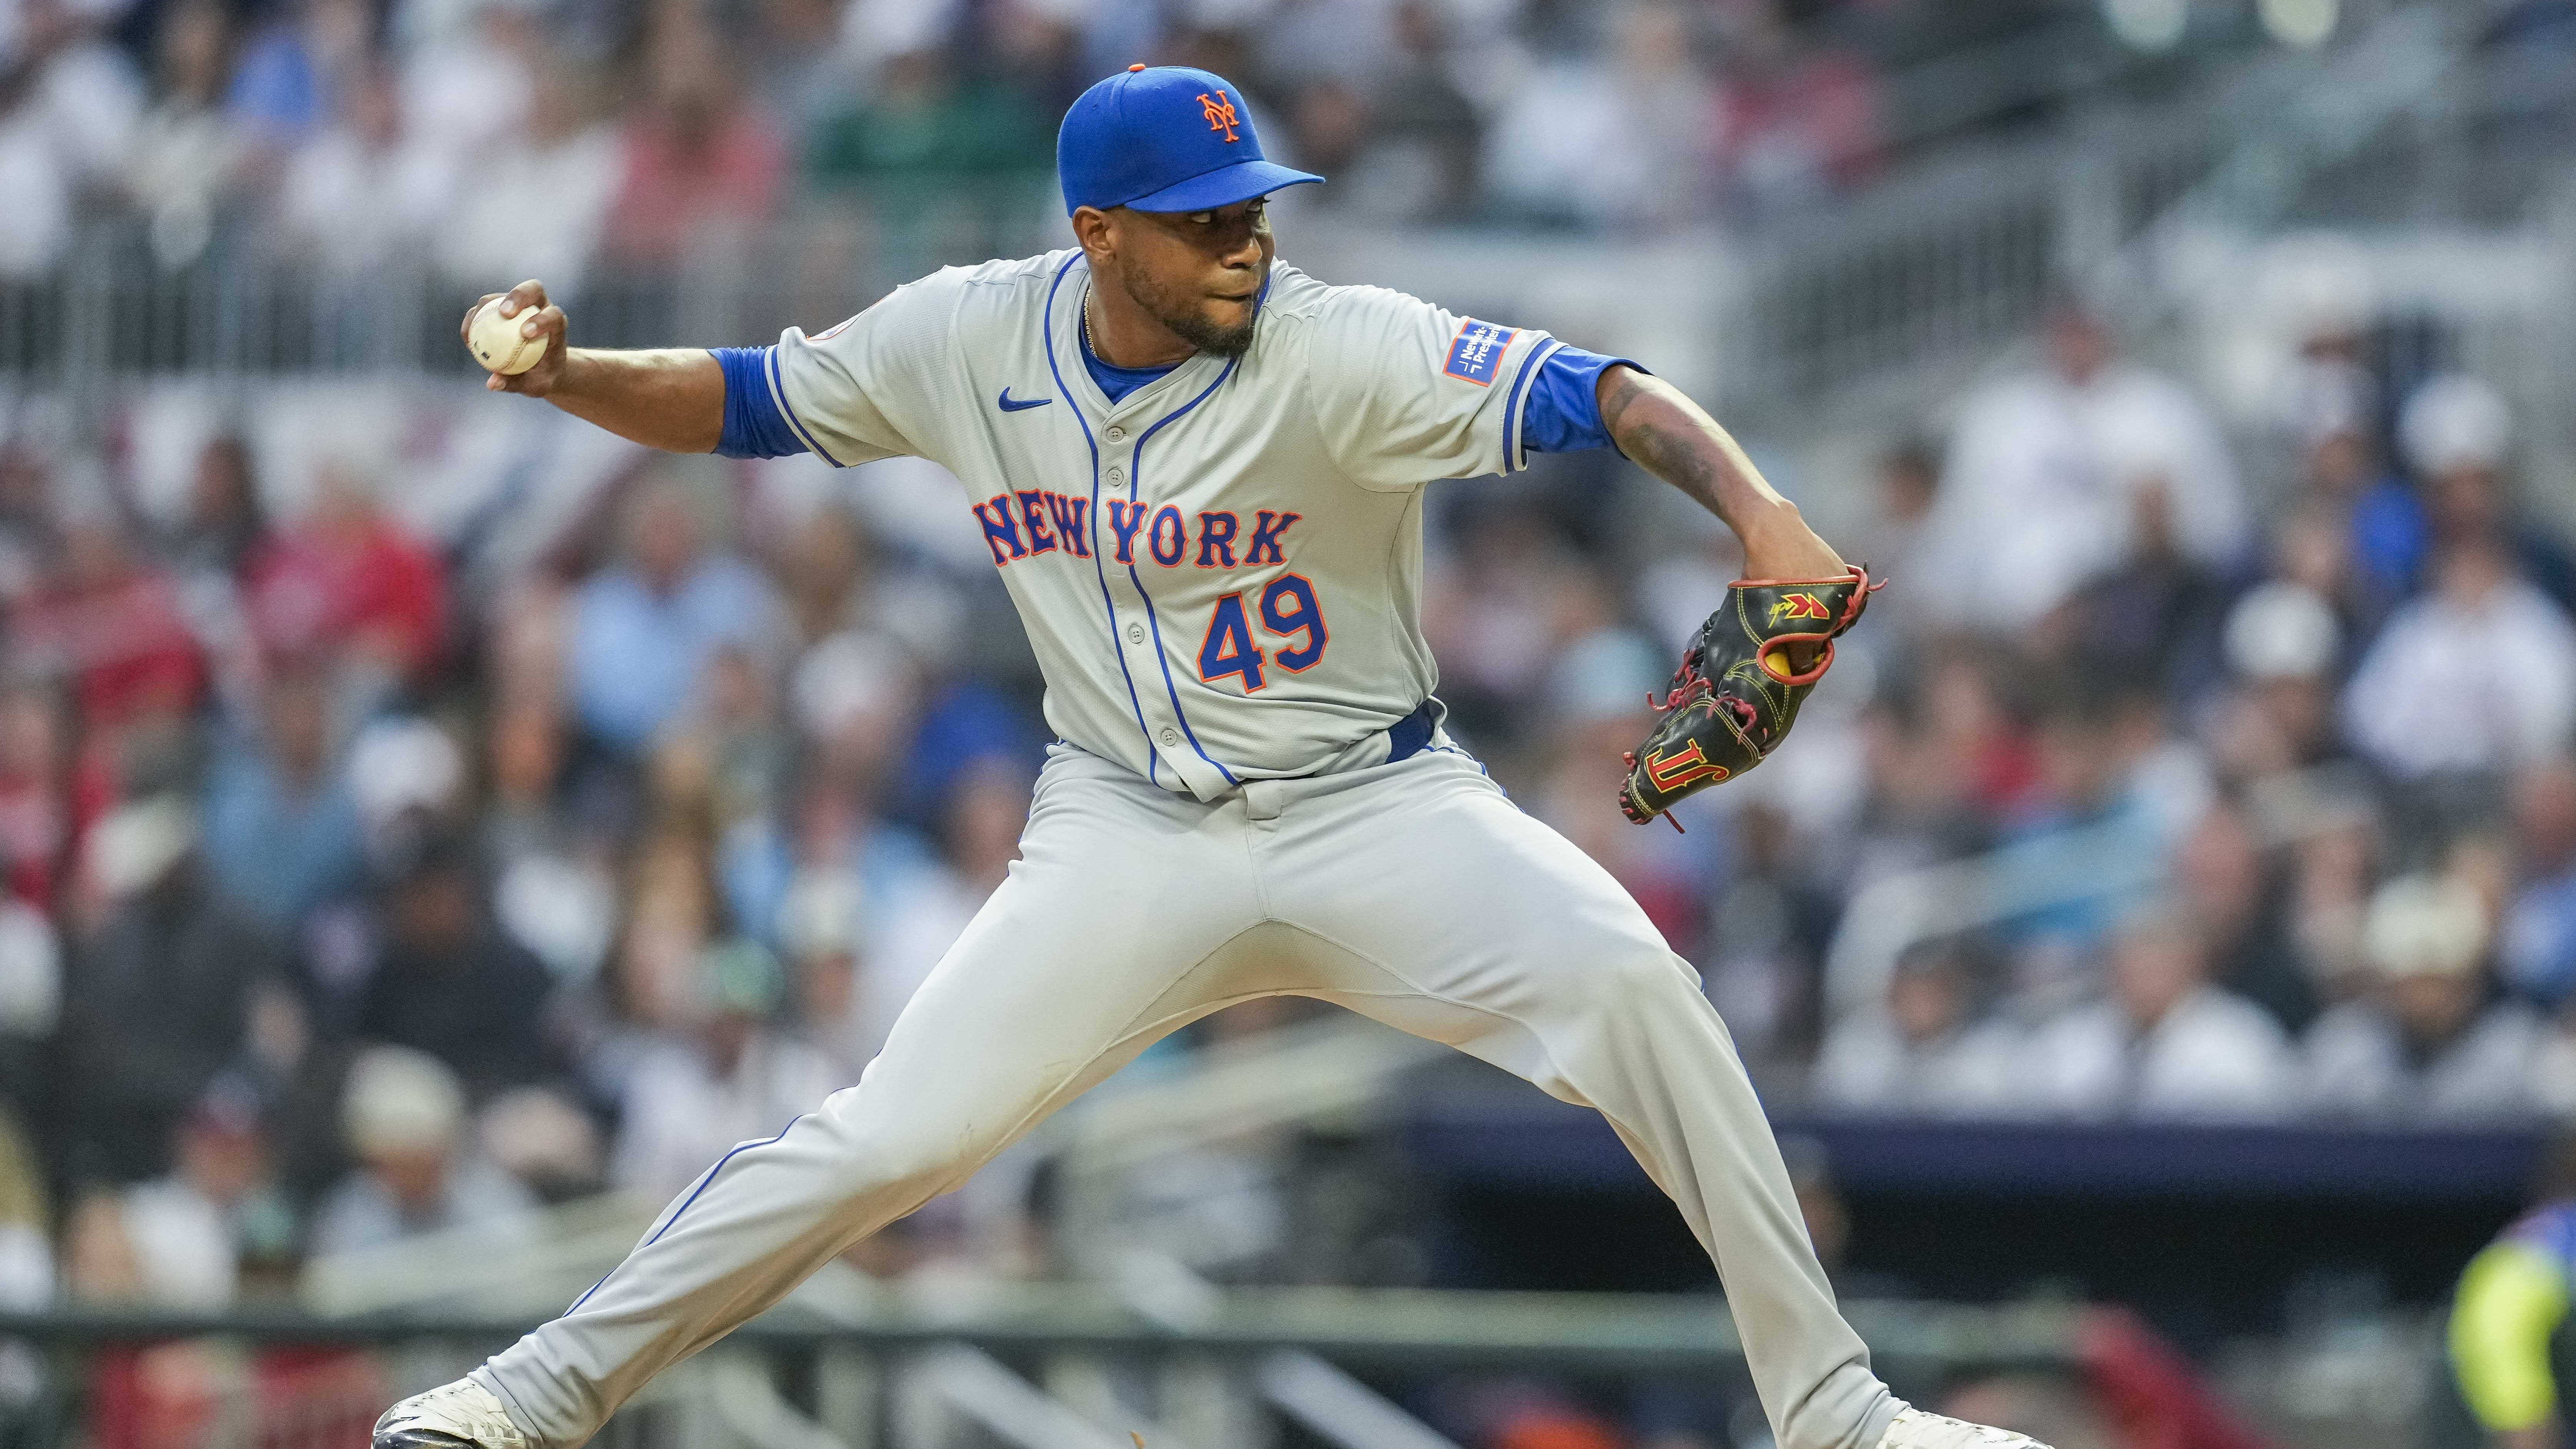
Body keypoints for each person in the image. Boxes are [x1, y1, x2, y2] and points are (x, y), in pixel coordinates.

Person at [377, 64, 2045, 1449]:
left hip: (1375, 807)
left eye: (1255, 206)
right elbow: (746, 399)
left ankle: (1839, 1417)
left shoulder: (1336, 347)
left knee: (1634, 990)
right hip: (1123, 835)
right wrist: (569, 375)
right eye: (1203, 223)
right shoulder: (969, 336)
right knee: (886, 1144)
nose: (1247, 240)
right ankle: (531, 1396)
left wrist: (1762, 519)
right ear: (1099, 234)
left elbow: (1599, 390)